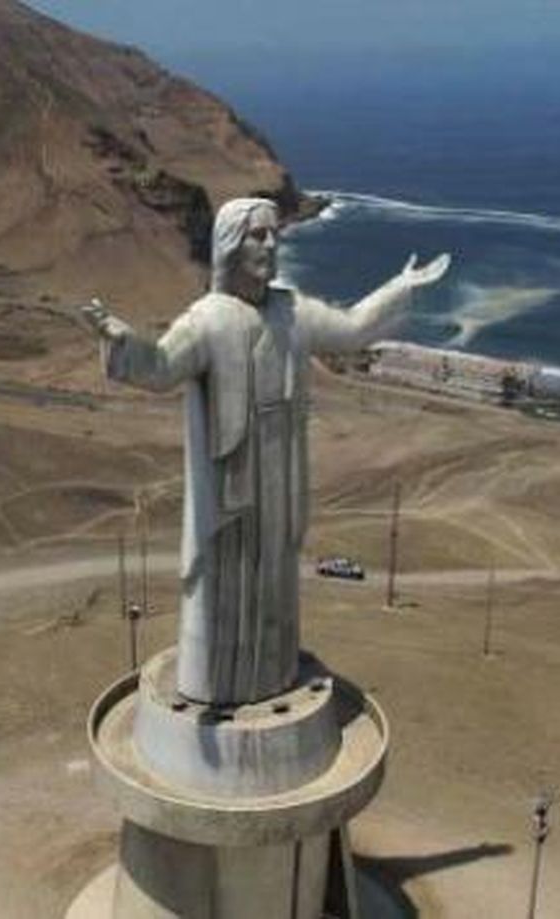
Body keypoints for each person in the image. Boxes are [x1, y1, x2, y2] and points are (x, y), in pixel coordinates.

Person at [82, 197, 451, 705]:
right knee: (225, 586)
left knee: (275, 578)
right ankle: (218, 684)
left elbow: (352, 330)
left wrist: (399, 287)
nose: (271, 244)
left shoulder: (291, 312)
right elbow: (162, 367)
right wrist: (123, 341)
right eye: (258, 235)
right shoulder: (208, 319)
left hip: (280, 474)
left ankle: (272, 673)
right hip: (231, 484)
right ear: (230, 245)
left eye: (274, 234)